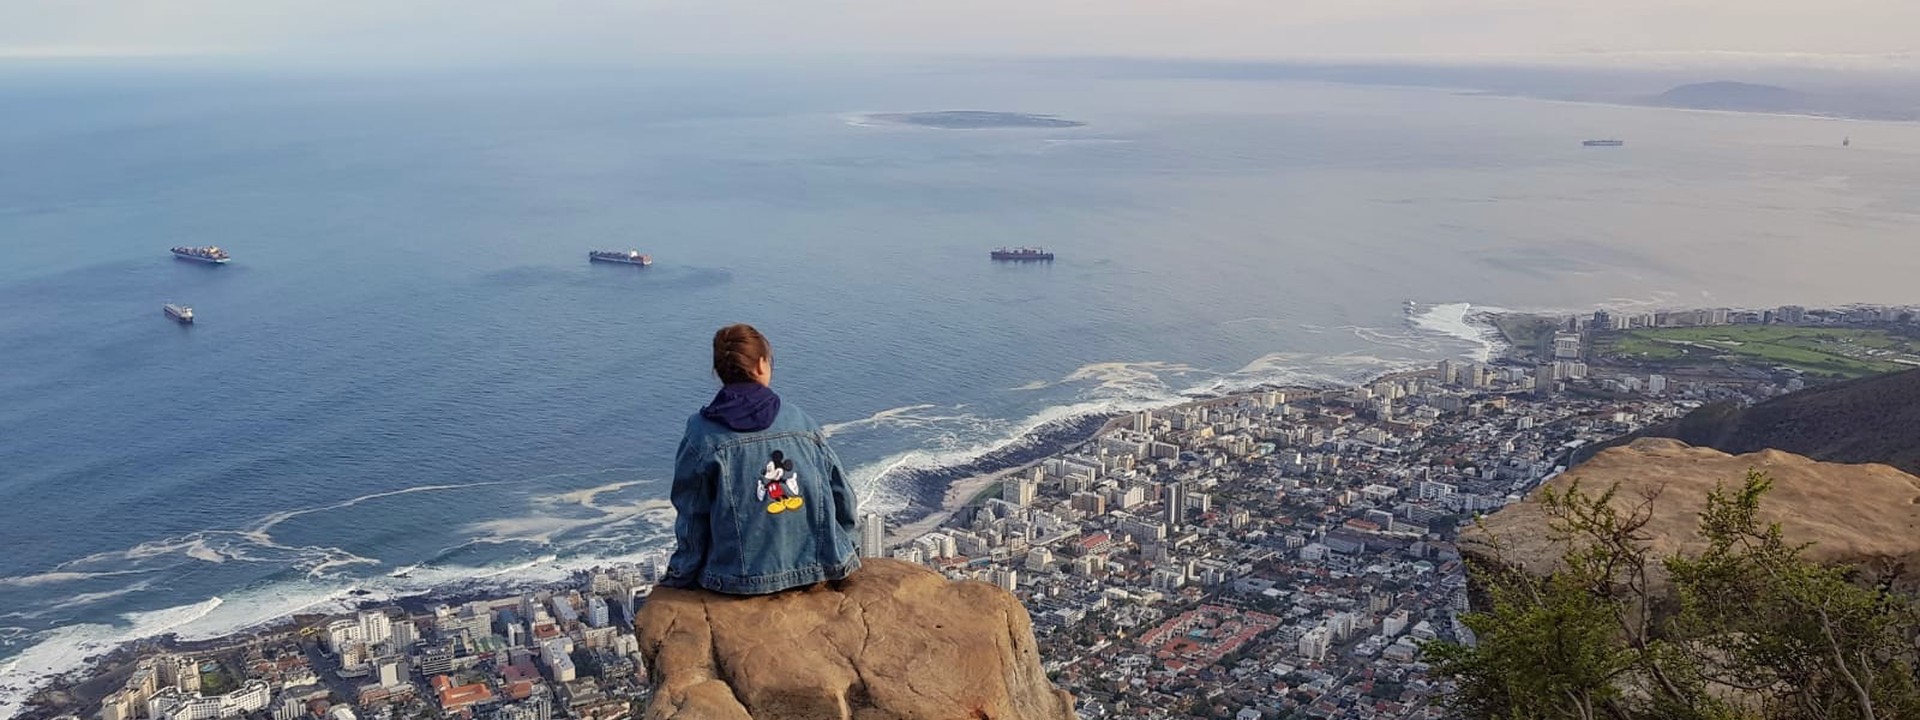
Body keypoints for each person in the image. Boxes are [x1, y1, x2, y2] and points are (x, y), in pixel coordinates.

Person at [661, 323, 862, 594]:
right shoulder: (800, 422)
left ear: (719, 372)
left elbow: (692, 513)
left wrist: (680, 575)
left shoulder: (702, 434)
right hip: (817, 567)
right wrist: (846, 551)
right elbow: (842, 494)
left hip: (737, 579)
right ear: (760, 365)